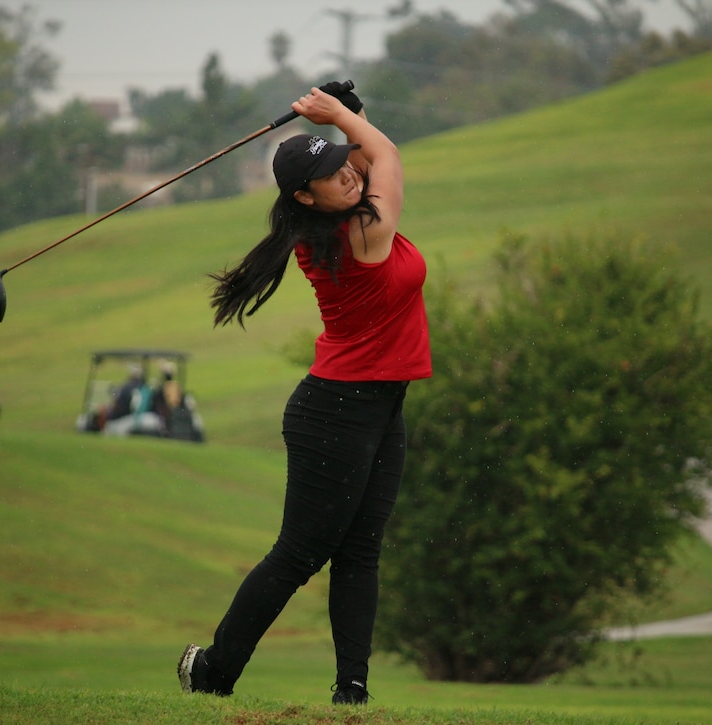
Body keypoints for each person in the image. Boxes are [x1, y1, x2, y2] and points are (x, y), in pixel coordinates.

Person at [177, 83, 431, 705]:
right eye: (326, 173)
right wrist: (342, 115)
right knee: (300, 553)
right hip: (337, 411)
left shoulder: (343, 215)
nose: (344, 175)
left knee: (360, 551)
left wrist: (349, 117)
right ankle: (213, 672)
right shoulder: (360, 234)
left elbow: (366, 156)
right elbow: (388, 157)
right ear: (303, 197)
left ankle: (352, 691)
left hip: (377, 405)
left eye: (339, 161)